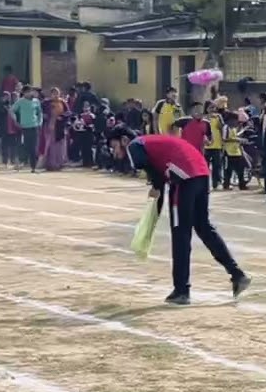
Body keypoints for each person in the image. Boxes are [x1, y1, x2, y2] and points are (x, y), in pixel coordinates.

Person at [108, 126, 251, 304]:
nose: (115, 153)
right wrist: (156, 202)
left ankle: (182, 290)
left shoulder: (135, 145)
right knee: (203, 227)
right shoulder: (150, 142)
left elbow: (153, 175)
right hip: (201, 173)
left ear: (124, 140)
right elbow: (158, 178)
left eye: (114, 147)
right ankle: (237, 274)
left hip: (183, 178)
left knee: (180, 234)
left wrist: (154, 205)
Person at [10, 86, 42, 172]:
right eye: (26, 92)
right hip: (24, 127)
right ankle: (21, 162)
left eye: (29, 91)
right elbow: (12, 110)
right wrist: (15, 120)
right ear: (23, 93)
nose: (28, 93)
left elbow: (39, 112)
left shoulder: (36, 101)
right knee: (25, 146)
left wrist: (40, 122)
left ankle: (33, 167)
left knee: (34, 147)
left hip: (34, 126)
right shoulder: (20, 101)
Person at [39, 87, 69, 171]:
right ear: (51, 94)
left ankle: (59, 163)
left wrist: (61, 117)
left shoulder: (63, 102)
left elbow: (68, 113)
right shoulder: (46, 103)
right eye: (54, 93)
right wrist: (47, 116)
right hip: (50, 126)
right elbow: (41, 112)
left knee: (60, 145)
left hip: (60, 126)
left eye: (57, 93)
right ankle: (50, 164)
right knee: (50, 145)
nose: (55, 95)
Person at [220, 110, 249, 190]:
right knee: (228, 170)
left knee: (240, 169)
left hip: (236, 151)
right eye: (235, 120)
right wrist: (237, 140)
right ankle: (226, 185)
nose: (236, 122)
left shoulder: (233, 128)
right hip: (228, 152)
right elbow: (225, 139)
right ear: (230, 120)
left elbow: (235, 136)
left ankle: (242, 185)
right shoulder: (226, 127)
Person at [203, 100, 225, 187]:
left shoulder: (218, 117)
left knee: (217, 165)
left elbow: (222, 129)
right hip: (206, 145)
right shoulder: (203, 118)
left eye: (214, 107)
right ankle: (204, 184)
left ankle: (216, 183)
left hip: (217, 144)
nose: (213, 109)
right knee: (205, 165)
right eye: (211, 107)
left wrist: (223, 141)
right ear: (206, 108)